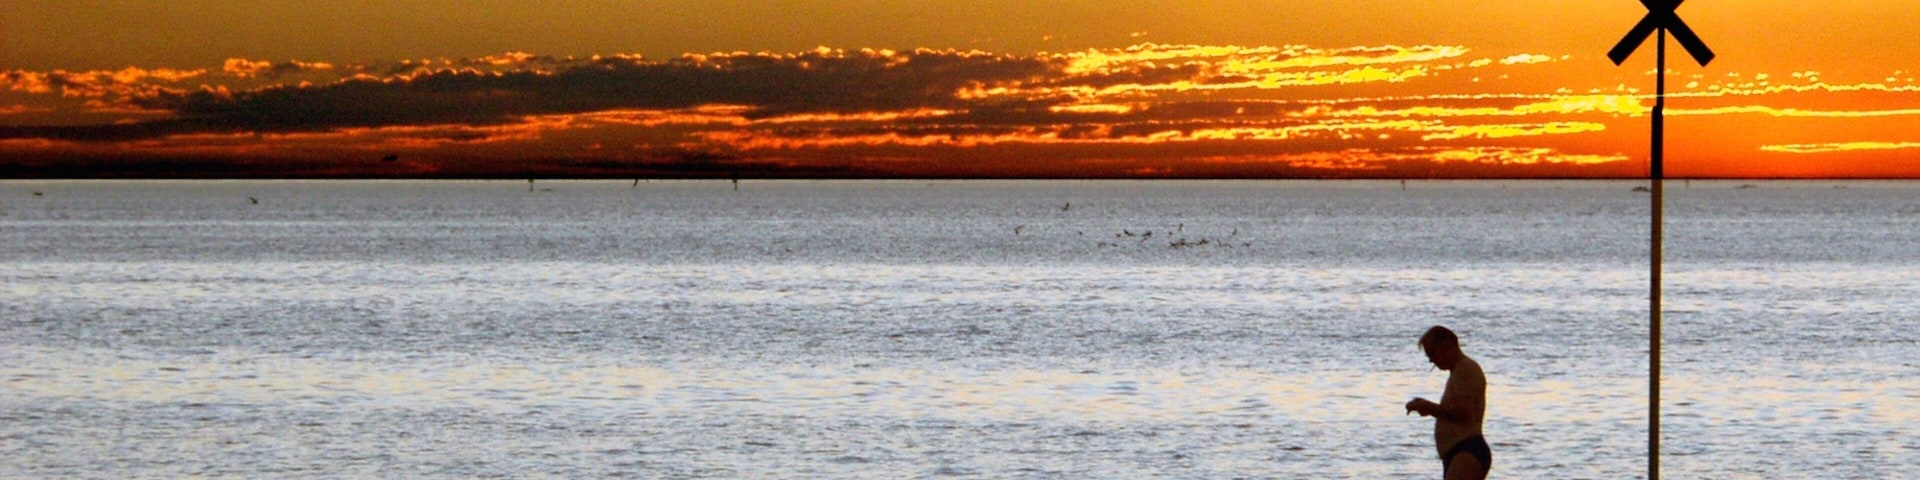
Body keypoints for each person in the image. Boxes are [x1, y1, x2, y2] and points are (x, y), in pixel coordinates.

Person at [1405, 325, 1490, 480]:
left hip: (1467, 450)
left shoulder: (1466, 369)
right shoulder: (1458, 371)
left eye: (1432, 353)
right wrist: (1428, 408)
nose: (1431, 360)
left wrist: (1430, 408)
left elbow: (1464, 413)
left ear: (1446, 346)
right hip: (1457, 453)